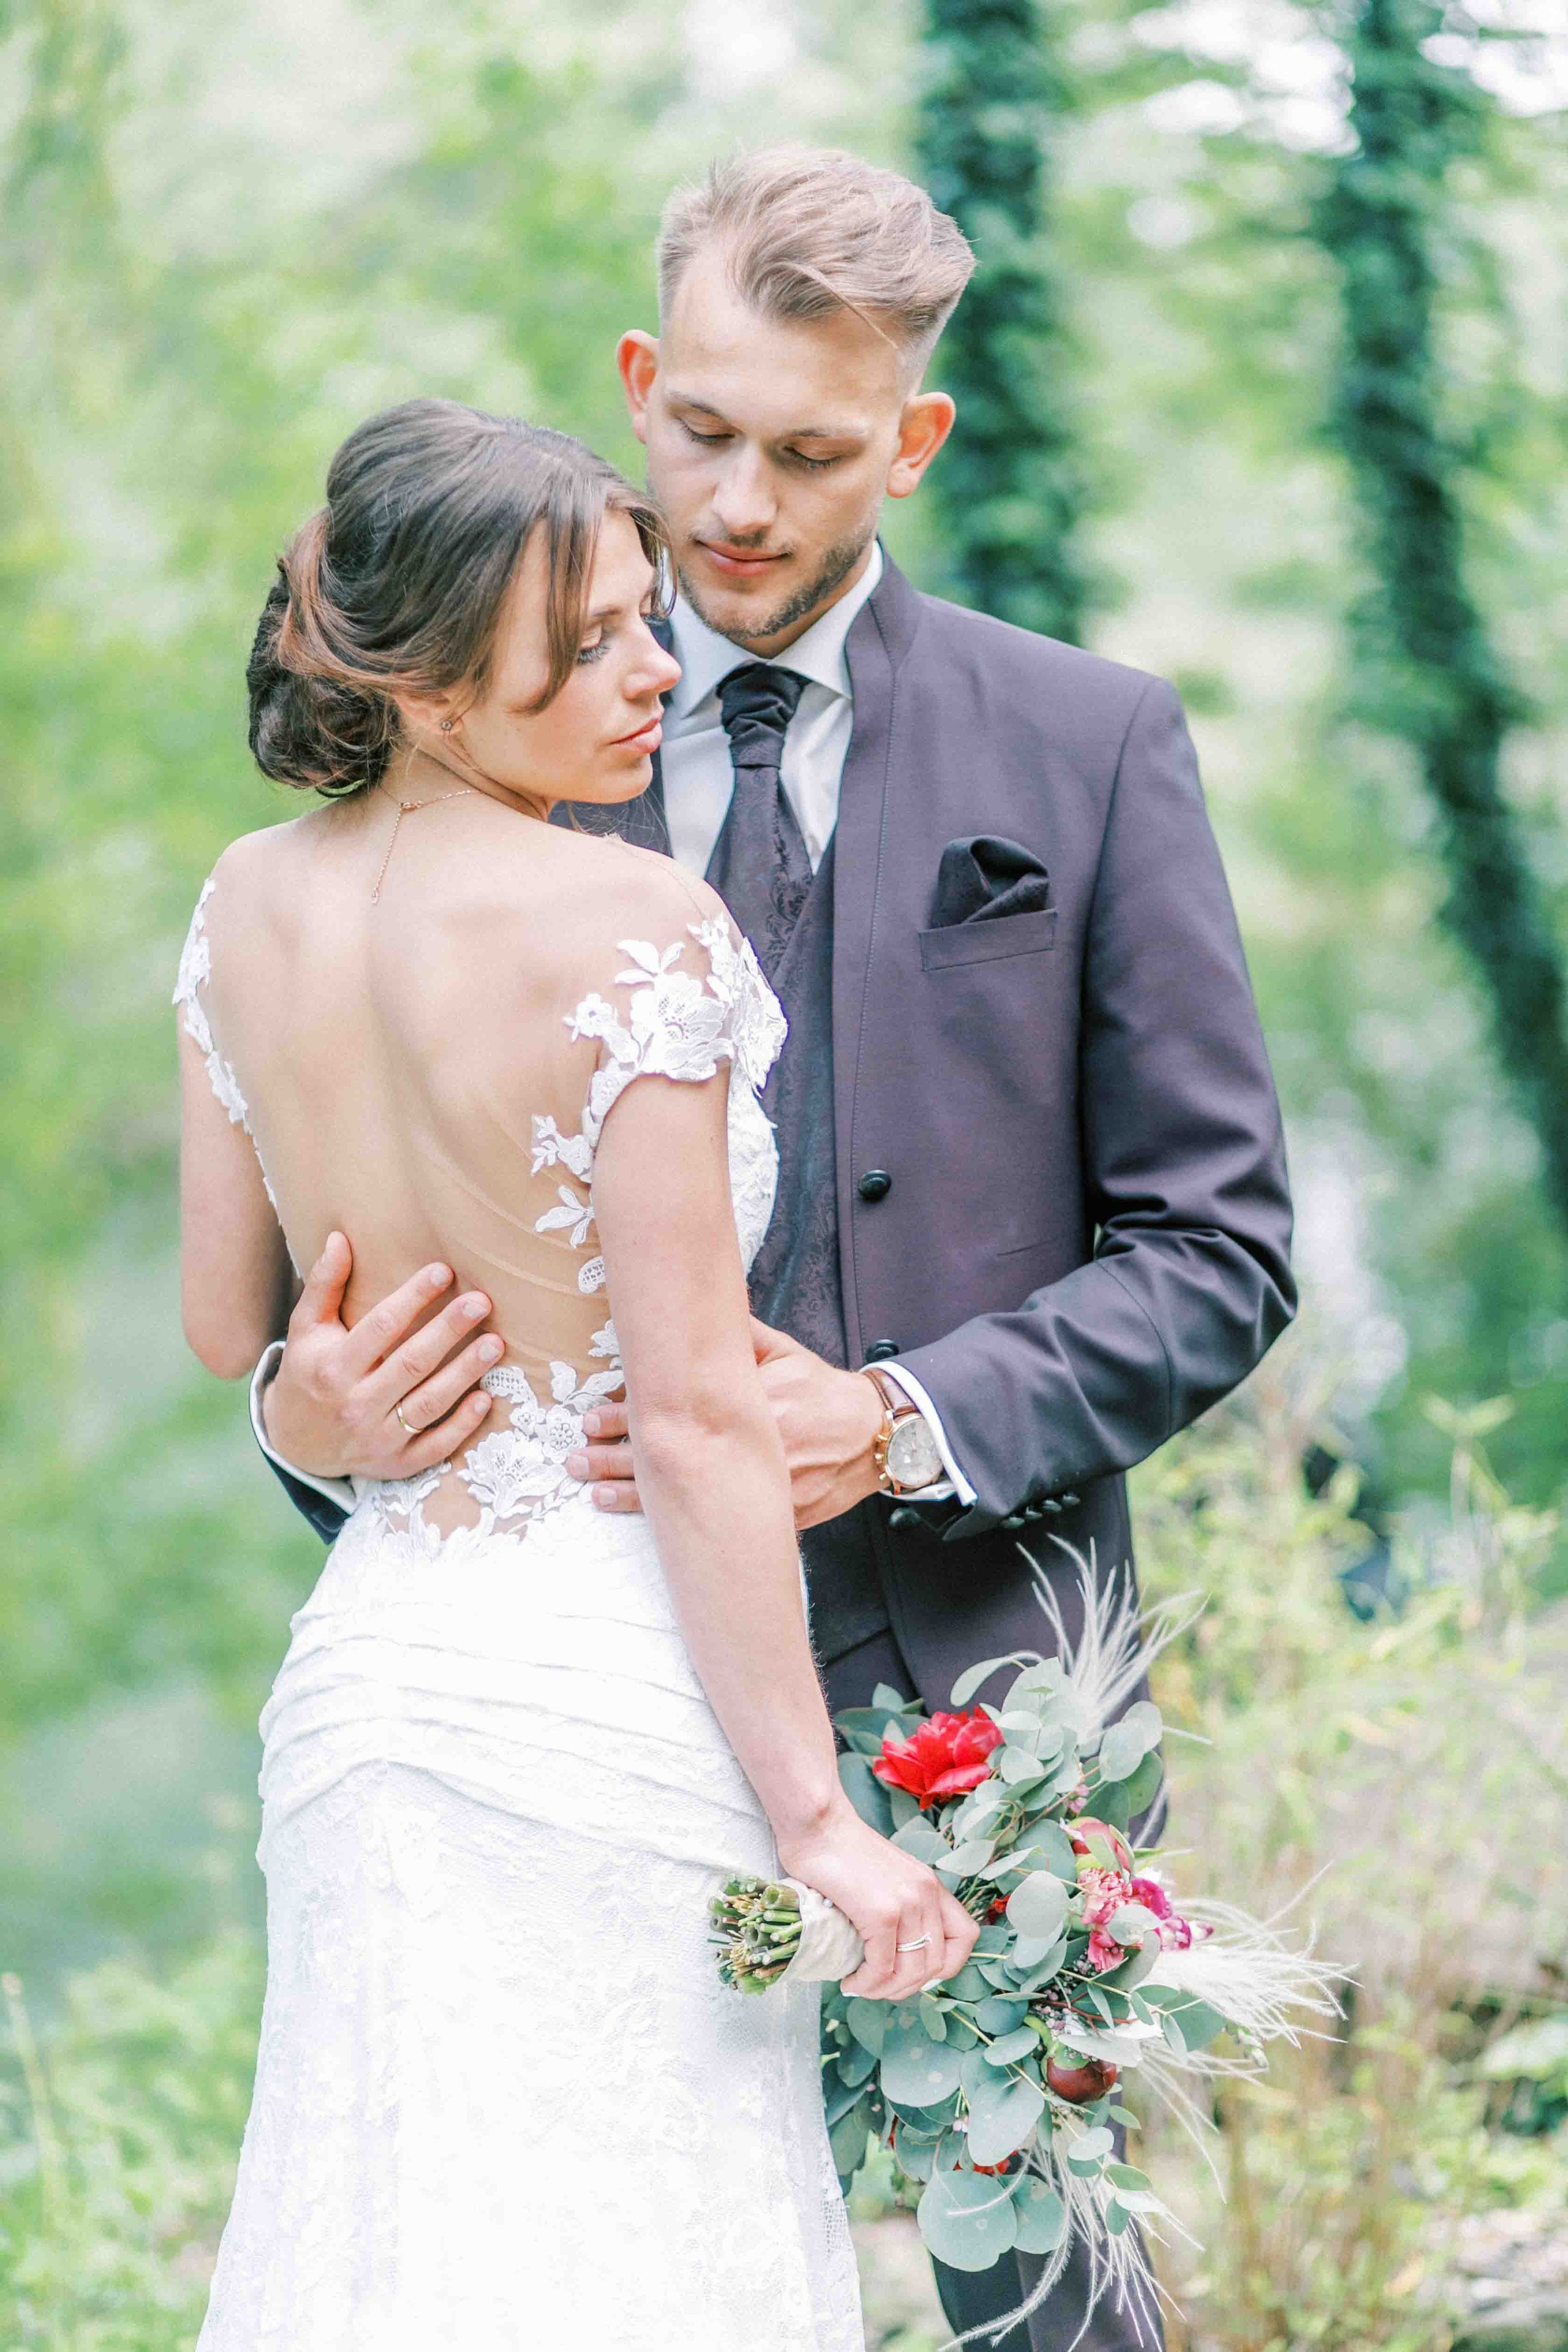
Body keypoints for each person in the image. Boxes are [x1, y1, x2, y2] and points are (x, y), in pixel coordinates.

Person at [245, 151, 1297, 2350]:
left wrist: (902, 1420)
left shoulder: (1088, 745)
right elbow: (310, 1251)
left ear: (908, 438)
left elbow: (1216, 1245)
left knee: (1052, 2309)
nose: (735, 501)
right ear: (640, 383)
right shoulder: (461, 757)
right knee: (595, 2263)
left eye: (808, 451)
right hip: (575, 1697)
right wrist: (299, 1405)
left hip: (987, 1679)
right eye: (700, 431)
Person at [178, 396, 979, 2349]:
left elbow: (231, 1327)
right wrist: (813, 1816)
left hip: (369, 1688)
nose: (653, 674)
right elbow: (698, 1417)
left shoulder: (243, 903)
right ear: (439, 692)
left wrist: (309, 1403)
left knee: (391, 2258)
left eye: (643, 621)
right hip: (608, 1708)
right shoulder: (634, 924)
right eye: (593, 645)